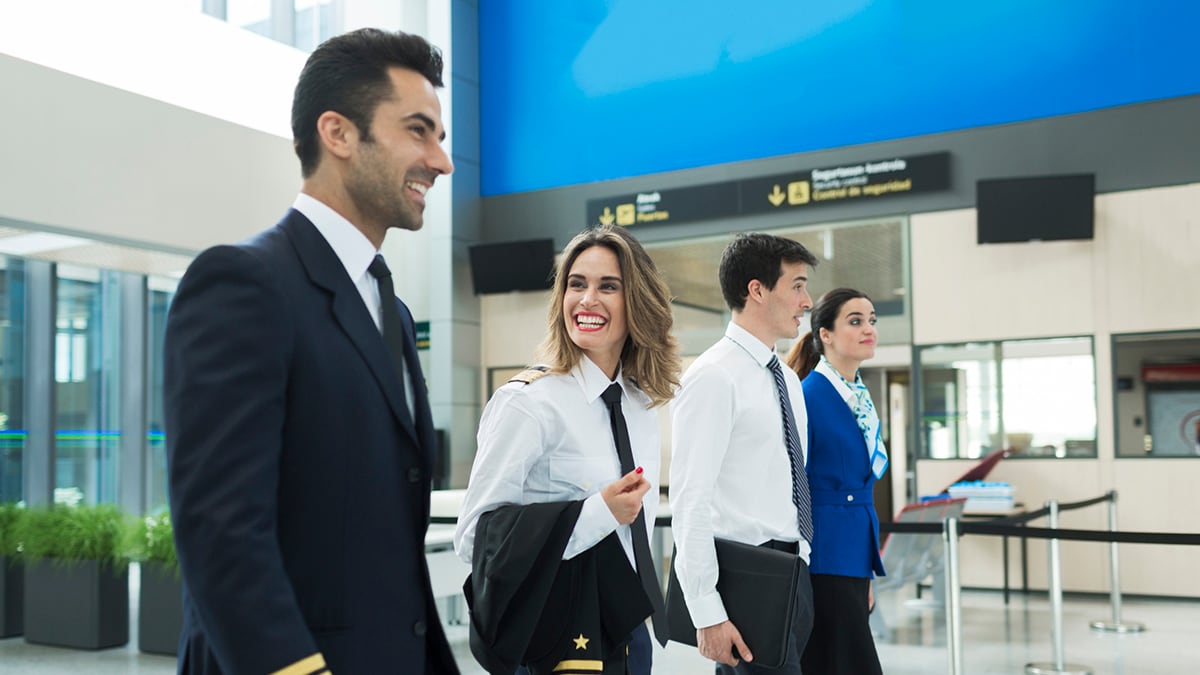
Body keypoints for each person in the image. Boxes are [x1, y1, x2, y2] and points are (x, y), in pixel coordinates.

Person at [164, 28, 459, 674]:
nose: (441, 161)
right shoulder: (242, 284)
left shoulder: (394, 313)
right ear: (340, 134)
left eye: (440, 136)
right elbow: (222, 536)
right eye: (419, 130)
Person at [454, 224, 680, 675]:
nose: (587, 300)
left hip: (630, 627)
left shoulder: (638, 404)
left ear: (638, 302)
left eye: (608, 287)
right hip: (556, 636)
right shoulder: (528, 403)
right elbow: (476, 537)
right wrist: (596, 512)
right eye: (576, 284)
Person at [670, 232, 819, 674]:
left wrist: (803, 559)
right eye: (796, 286)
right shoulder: (714, 377)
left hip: (794, 570)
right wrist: (707, 611)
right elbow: (689, 500)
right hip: (749, 574)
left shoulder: (787, 380)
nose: (806, 300)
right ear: (757, 290)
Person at [784, 287, 887, 675]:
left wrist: (866, 571)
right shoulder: (808, 395)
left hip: (854, 552)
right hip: (822, 553)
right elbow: (796, 482)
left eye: (872, 321)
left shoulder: (858, 395)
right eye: (855, 321)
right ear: (824, 334)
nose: (869, 329)